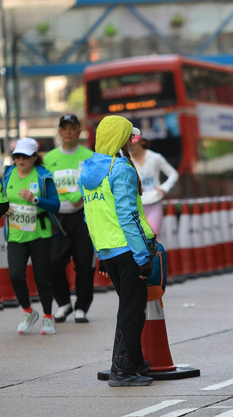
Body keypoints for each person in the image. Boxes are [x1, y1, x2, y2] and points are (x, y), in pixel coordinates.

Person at [79, 115, 156, 387]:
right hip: (129, 249)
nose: (131, 140)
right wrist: (142, 256)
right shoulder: (121, 169)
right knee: (132, 310)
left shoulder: (88, 168)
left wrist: (100, 253)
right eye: (128, 136)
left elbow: (90, 217)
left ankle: (136, 363)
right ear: (119, 138)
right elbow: (128, 215)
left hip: (108, 250)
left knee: (129, 307)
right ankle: (122, 370)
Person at [3, 138, 61, 335]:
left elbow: (56, 205)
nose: (20, 160)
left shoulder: (43, 176)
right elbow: (0, 198)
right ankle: (28, 311)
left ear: (34, 157)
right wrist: (3, 208)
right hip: (15, 234)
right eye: (17, 156)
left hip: (40, 235)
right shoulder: (7, 174)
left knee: (41, 277)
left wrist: (35, 199)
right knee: (15, 275)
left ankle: (48, 316)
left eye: (25, 156)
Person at [44, 114, 96, 323]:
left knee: (84, 263)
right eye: (64, 128)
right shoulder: (49, 158)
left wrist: (80, 195)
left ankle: (82, 307)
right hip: (57, 218)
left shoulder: (90, 156)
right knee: (53, 262)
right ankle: (64, 303)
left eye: (72, 127)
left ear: (79, 130)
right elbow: (44, 185)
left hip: (83, 217)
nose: (68, 131)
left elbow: (96, 181)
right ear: (59, 131)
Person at [130, 130, 179, 236]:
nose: (130, 147)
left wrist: (165, 188)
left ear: (140, 142)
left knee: (152, 236)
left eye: (133, 144)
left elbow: (173, 174)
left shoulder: (155, 157)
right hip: (135, 205)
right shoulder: (126, 160)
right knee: (138, 238)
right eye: (127, 144)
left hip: (154, 202)